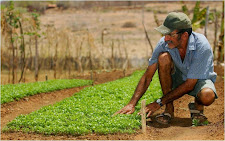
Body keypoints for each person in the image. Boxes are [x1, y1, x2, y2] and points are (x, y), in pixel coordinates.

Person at [113, 12, 217, 125]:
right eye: (165, 34)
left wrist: (158, 103)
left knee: (207, 96)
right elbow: (148, 76)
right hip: (177, 78)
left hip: (197, 80)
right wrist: (131, 104)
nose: (166, 38)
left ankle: (197, 106)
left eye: (170, 34)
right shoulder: (164, 43)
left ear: (185, 35)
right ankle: (169, 109)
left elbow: (190, 84)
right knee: (163, 58)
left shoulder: (201, 45)